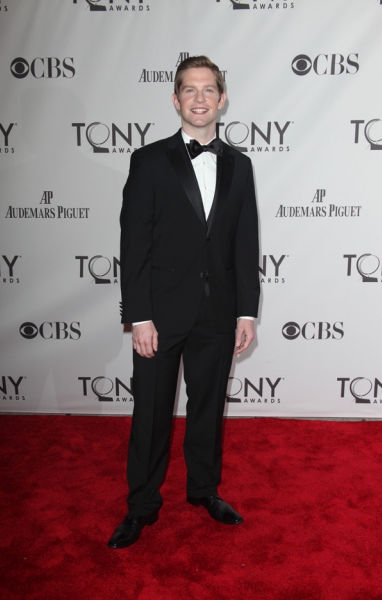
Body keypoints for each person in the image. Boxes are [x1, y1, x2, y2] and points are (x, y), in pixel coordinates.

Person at [108, 56, 260, 549]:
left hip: (217, 314)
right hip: (160, 313)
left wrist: (246, 311)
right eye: (189, 90)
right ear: (175, 100)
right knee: (150, 411)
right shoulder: (149, 160)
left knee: (208, 408)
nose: (199, 98)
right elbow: (134, 244)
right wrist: (140, 316)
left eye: (208, 89)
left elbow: (245, 242)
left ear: (222, 98)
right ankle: (141, 506)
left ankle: (204, 491)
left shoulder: (241, 165)